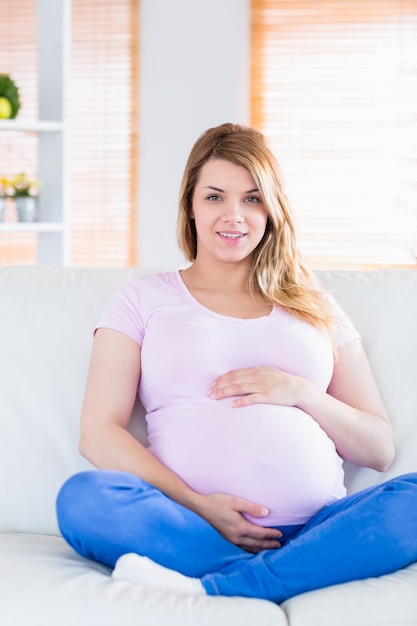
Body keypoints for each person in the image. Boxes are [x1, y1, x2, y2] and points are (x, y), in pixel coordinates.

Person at [56, 122, 417, 603]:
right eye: (214, 197)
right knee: (83, 500)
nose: (234, 215)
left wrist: (302, 394)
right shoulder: (142, 297)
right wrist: (201, 506)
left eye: (252, 198)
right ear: (190, 204)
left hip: (318, 528)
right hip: (192, 525)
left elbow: (379, 449)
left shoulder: (315, 306)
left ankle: (226, 584)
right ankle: (283, 575)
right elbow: (98, 433)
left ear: (272, 208)